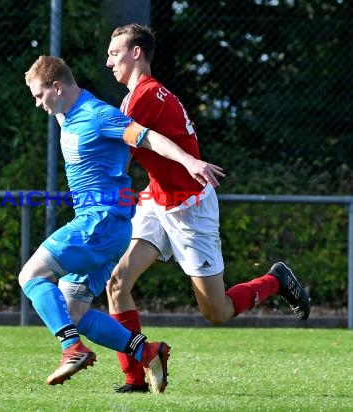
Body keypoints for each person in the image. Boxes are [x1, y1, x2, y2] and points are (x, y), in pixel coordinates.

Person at [104, 23, 311, 393]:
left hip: (189, 209)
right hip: (157, 200)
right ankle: (135, 377)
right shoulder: (137, 96)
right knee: (117, 282)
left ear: (137, 53)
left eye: (114, 53)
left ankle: (276, 280)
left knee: (216, 312)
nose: (108, 62)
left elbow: (119, 147)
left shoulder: (144, 97)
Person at [19, 55, 224, 393]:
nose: (39, 104)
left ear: (57, 87)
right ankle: (148, 351)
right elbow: (57, 100)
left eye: (41, 96)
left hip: (99, 223)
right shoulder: (64, 113)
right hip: (106, 227)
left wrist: (190, 160)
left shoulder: (99, 116)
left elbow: (148, 138)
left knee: (30, 275)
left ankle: (72, 349)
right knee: (74, 311)